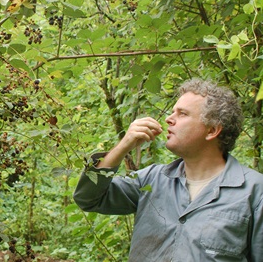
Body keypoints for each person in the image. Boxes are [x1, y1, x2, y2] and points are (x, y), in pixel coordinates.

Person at [73, 79, 263, 262]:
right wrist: (123, 146)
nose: (168, 119)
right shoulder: (151, 180)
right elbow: (88, 198)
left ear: (212, 130)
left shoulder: (254, 192)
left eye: (182, 114)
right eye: (173, 112)